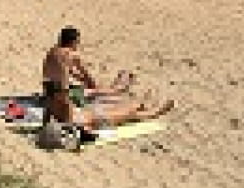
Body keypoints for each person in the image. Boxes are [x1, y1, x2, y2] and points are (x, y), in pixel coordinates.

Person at [41, 27, 174, 141]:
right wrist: (85, 129)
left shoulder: (52, 53)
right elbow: (84, 85)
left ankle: (141, 103)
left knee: (115, 109)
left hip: (78, 112)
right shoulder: (71, 56)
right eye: (77, 42)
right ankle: (153, 110)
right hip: (83, 116)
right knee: (127, 113)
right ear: (73, 42)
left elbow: (57, 105)